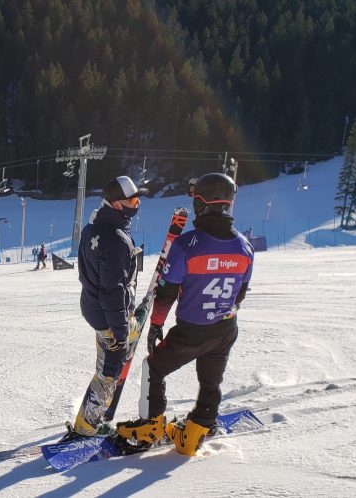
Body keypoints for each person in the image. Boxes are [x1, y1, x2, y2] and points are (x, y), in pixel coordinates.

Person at [115, 172, 254, 457]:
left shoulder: (188, 245)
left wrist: (155, 326)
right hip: (226, 328)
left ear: (200, 204)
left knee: (153, 368)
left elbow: (166, 294)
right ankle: (197, 430)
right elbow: (240, 293)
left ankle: (151, 426)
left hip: (192, 330)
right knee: (211, 380)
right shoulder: (244, 246)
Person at [67, 176, 148, 439]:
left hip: (95, 309)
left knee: (112, 351)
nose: (137, 205)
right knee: (108, 373)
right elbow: (113, 291)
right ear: (116, 205)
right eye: (132, 201)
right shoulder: (116, 239)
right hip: (109, 316)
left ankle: (131, 325)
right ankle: (87, 427)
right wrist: (121, 332)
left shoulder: (92, 228)